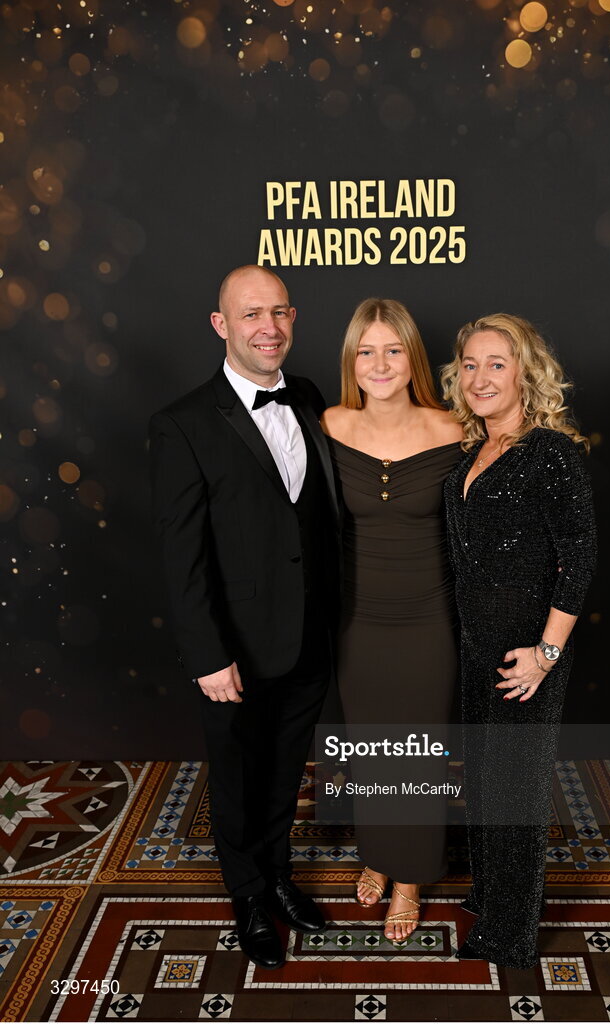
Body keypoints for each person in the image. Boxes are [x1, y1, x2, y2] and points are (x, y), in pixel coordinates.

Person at [148, 265, 339, 970]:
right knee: (237, 776)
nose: (269, 327)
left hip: (307, 638)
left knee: (286, 770)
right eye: (251, 314)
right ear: (220, 325)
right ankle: (249, 895)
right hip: (233, 649)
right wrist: (205, 653)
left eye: (280, 312)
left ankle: (280, 876)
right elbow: (180, 555)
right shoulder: (181, 425)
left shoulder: (310, 396)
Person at [441, 313, 597, 968]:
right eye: (470, 365)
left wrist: (546, 653)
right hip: (476, 646)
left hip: (526, 653)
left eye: (496, 364)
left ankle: (509, 936)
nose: (480, 377)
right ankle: (491, 894)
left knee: (515, 791)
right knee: (482, 778)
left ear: (525, 373)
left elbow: (579, 556)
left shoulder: (550, 452)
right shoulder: (471, 450)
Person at [321, 298, 463, 943]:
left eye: (393, 349)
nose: (380, 363)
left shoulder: (455, 428)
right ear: (353, 359)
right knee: (370, 749)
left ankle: (409, 877)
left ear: (414, 358)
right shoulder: (328, 423)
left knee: (418, 750)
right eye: (367, 350)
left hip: (429, 619)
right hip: (355, 620)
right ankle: (378, 851)